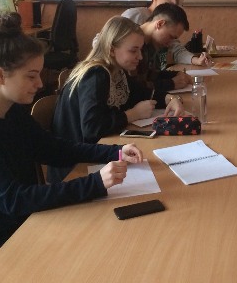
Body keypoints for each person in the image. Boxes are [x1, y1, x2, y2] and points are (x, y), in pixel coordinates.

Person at [0, 14, 144, 277]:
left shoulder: (10, 111)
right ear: (0, 76)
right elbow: (14, 200)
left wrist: (114, 151)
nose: (40, 84)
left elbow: (53, 149)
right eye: (31, 76)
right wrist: (95, 183)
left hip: (24, 224)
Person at [51, 15, 184, 181]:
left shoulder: (116, 70)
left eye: (140, 50)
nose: (140, 56)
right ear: (112, 49)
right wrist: (132, 114)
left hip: (97, 152)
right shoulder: (95, 75)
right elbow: (92, 129)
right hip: (75, 167)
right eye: (133, 50)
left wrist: (170, 98)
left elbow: (139, 93)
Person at [93, 0, 210, 66]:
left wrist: (195, 60)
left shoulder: (170, 24)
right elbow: (103, 40)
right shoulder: (135, 15)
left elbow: (175, 49)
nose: (174, 2)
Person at [137, 3, 193, 95]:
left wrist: (176, 74)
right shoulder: (131, 44)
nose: (170, 44)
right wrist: (171, 83)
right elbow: (136, 88)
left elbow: (153, 75)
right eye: (171, 37)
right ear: (159, 24)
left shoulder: (153, 44)